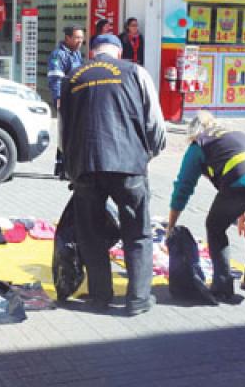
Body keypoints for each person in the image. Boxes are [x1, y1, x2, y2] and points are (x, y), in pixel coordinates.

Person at [59, 34, 166, 316]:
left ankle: (99, 297)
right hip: (128, 165)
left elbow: (63, 129)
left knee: (91, 235)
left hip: (86, 166)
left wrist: (71, 166)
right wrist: (149, 154)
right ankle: (138, 299)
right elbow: (154, 121)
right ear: (118, 53)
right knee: (138, 233)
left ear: (93, 53)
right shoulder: (135, 72)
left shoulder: (73, 76)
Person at [167, 111, 245, 302]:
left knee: (215, 226)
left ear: (193, 131)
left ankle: (222, 286)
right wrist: (242, 213)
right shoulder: (236, 135)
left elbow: (183, 187)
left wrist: (171, 226)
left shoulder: (199, 144)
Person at [47, 25, 84, 179]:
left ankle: (64, 166)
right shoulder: (59, 55)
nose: (80, 41)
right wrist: (58, 99)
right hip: (64, 98)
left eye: (81, 38)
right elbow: (55, 79)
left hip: (75, 98)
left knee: (71, 133)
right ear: (67, 38)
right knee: (65, 133)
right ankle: (63, 167)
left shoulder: (76, 54)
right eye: (77, 37)